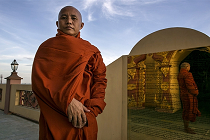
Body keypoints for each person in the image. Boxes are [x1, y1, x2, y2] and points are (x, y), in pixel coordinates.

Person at [32, 6, 107, 140]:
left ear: (81, 25)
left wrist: (91, 111)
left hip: (85, 116)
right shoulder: (46, 48)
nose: (69, 21)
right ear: (57, 23)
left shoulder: (91, 51)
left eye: (74, 18)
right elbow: (40, 82)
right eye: (64, 17)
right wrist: (67, 101)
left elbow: (100, 80)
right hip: (55, 116)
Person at [177, 62, 201, 134]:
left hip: (183, 95)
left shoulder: (179, 74)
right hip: (189, 95)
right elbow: (190, 85)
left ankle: (186, 127)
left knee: (185, 110)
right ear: (187, 67)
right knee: (188, 111)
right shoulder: (187, 74)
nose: (189, 68)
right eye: (189, 67)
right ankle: (186, 128)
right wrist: (195, 92)